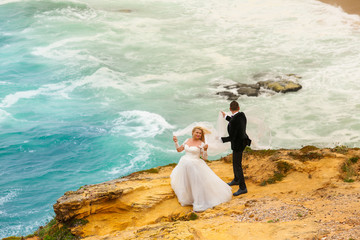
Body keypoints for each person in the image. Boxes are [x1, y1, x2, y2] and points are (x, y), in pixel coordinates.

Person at [171, 127, 232, 212]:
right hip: (184, 164)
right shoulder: (187, 140)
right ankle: (188, 198)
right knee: (186, 182)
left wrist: (205, 150)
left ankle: (198, 202)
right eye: (197, 132)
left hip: (195, 165)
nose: (198, 134)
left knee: (196, 184)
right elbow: (179, 150)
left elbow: (204, 158)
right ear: (193, 132)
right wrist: (176, 142)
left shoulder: (202, 144)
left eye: (200, 133)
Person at [221, 101, 251, 196]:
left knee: (238, 165)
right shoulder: (241, 115)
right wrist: (226, 117)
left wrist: (221, 139)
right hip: (242, 142)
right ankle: (236, 179)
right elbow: (234, 121)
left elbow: (232, 137)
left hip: (238, 144)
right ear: (238, 108)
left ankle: (243, 187)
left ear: (230, 109)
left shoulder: (234, 120)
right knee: (235, 162)